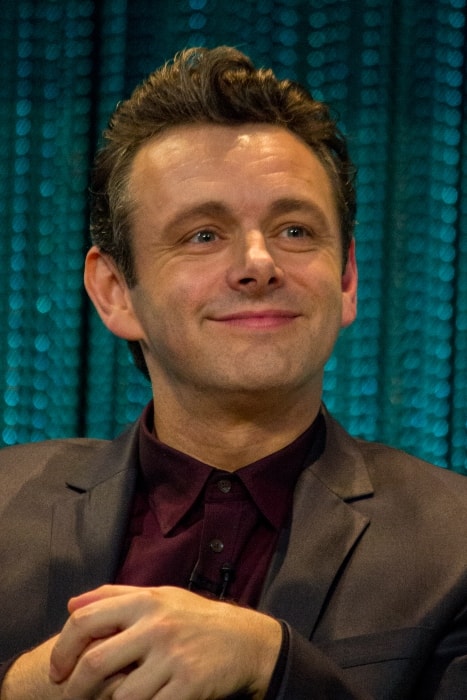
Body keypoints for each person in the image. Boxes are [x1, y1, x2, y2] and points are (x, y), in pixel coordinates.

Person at [0, 45, 466, 700]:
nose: (259, 263)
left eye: (296, 230)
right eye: (202, 234)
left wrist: (278, 667)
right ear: (114, 292)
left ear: (347, 279)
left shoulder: (455, 544)